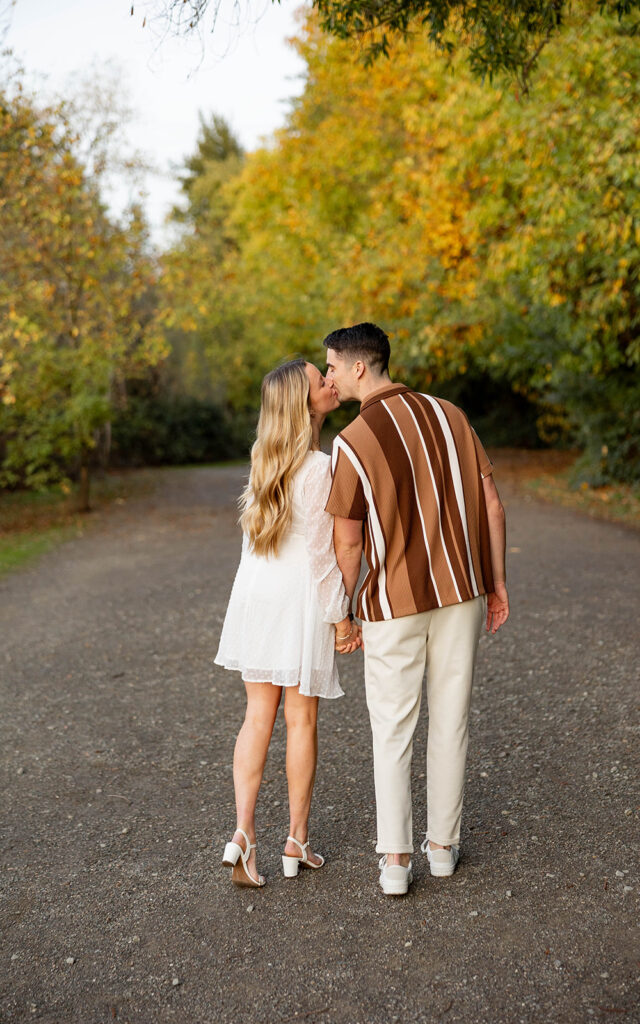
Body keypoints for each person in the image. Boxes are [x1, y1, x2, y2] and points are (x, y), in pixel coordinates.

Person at [324, 323, 509, 896]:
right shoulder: (453, 416)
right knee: (451, 716)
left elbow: (348, 540)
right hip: (463, 591)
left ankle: (398, 859)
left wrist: (344, 607)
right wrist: (497, 583)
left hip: (393, 602)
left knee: (393, 726)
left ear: (359, 368)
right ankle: (445, 847)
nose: (327, 375)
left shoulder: (353, 441)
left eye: (330, 365)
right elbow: (493, 505)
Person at [215, 359, 362, 888]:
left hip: (256, 593)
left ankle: (243, 833)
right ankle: (295, 840)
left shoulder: (264, 457)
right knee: (300, 721)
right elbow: (325, 557)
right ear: (304, 402)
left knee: (257, 716)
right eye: (317, 379)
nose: (329, 382)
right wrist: (342, 617)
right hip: (298, 597)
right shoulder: (323, 467)